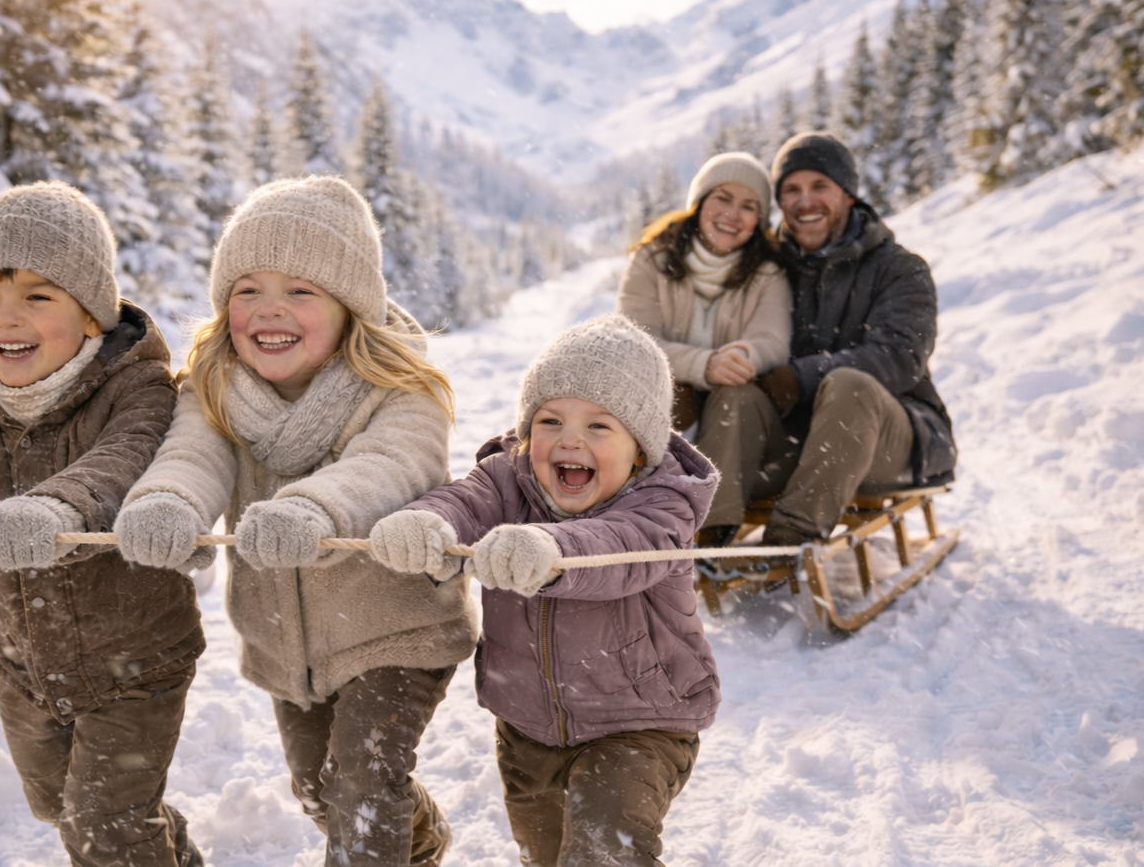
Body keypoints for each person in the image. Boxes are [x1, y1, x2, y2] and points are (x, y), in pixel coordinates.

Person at [113, 176, 477, 867]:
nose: (269, 309)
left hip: (398, 630)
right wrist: (169, 504)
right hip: (287, 644)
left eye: (301, 291)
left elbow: (391, 465)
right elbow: (192, 458)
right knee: (318, 789)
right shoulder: (214, 388)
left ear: (349, 308)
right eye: (248, 289)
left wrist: (312, 508)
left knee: (361, 786)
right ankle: (419, 843)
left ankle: (386, 840)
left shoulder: (402, 389)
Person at [0, 183, 204, 867]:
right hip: (18, 661)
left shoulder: (136, 387)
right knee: (58, 804)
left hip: (136, 660)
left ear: (90, 315)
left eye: (38, 296)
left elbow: (121, 464)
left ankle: (137, 835)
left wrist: (54, 510)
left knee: (104, 826)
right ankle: (170, 846)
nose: (4, 319)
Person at [369, 314, 720, 867]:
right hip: (526, 727)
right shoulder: (506, 479)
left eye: (599, 427)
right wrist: (425, 525)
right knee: (548, 854)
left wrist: (550, 551)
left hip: (640, 723)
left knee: (605, 851)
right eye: (550, 421)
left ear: (639, 451)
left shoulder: (662, 504)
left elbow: (620, 546)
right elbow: (461, 503)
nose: (569, 439)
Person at [704, 132, 957, 546]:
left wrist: (798, 377)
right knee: (735, 393)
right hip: (802, 444)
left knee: (848, 384)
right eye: (791, 190)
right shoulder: (765, 269)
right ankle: (707, 536)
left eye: (820, 186)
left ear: (848, 195)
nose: (806, 202)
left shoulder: (899, 269)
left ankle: (791, 540)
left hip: (892, 441)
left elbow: (898, 357)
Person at [616, 150, 791, 546]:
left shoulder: (767, 273)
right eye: (723, 198)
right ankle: (627, 522)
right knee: (654, 397)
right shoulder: (652, 259)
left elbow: (773, 339)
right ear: (699, 204)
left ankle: (710, 533)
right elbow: (634, 340)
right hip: (669, 396)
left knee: (735, 396)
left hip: (735, 409)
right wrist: (703, 364)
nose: (733, 213)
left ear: (759, 220)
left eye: (749, 206)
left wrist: (743, 357)